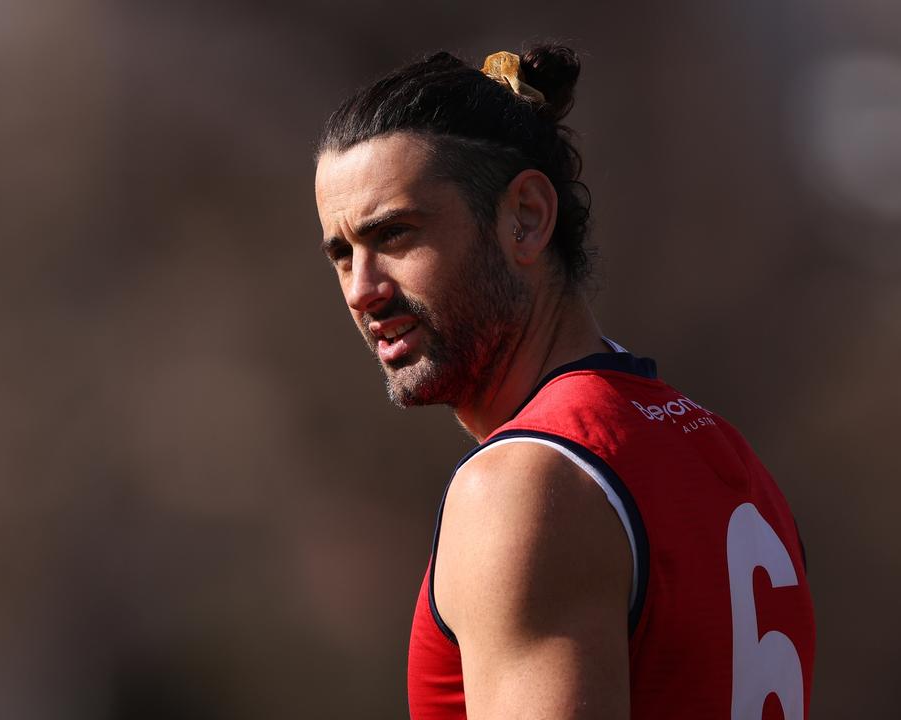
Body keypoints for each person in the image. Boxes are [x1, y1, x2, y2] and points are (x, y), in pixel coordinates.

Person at [313, 45, 815, 720]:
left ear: (526, 216)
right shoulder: (723, 453)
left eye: (396, 234)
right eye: (342, 254)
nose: (363, 290)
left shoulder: (524, 486)